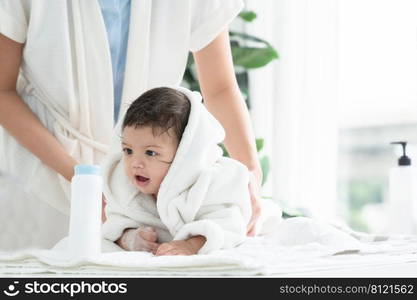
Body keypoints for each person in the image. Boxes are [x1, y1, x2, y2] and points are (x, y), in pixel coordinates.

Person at [0, 0, 262, 249]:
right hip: (43, 172)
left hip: (142, 187)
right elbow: (3, 91)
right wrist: (85, 181)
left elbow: (219, 88)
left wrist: (249, 172)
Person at [103, 86, 261, 255]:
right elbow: (113, 225)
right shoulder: (124, 187)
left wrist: (192, 245)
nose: (135, 163)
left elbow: (228, 226)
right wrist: (131, 238)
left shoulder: (208, 183)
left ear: (184, 155)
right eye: (128, 150)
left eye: (151, 153)